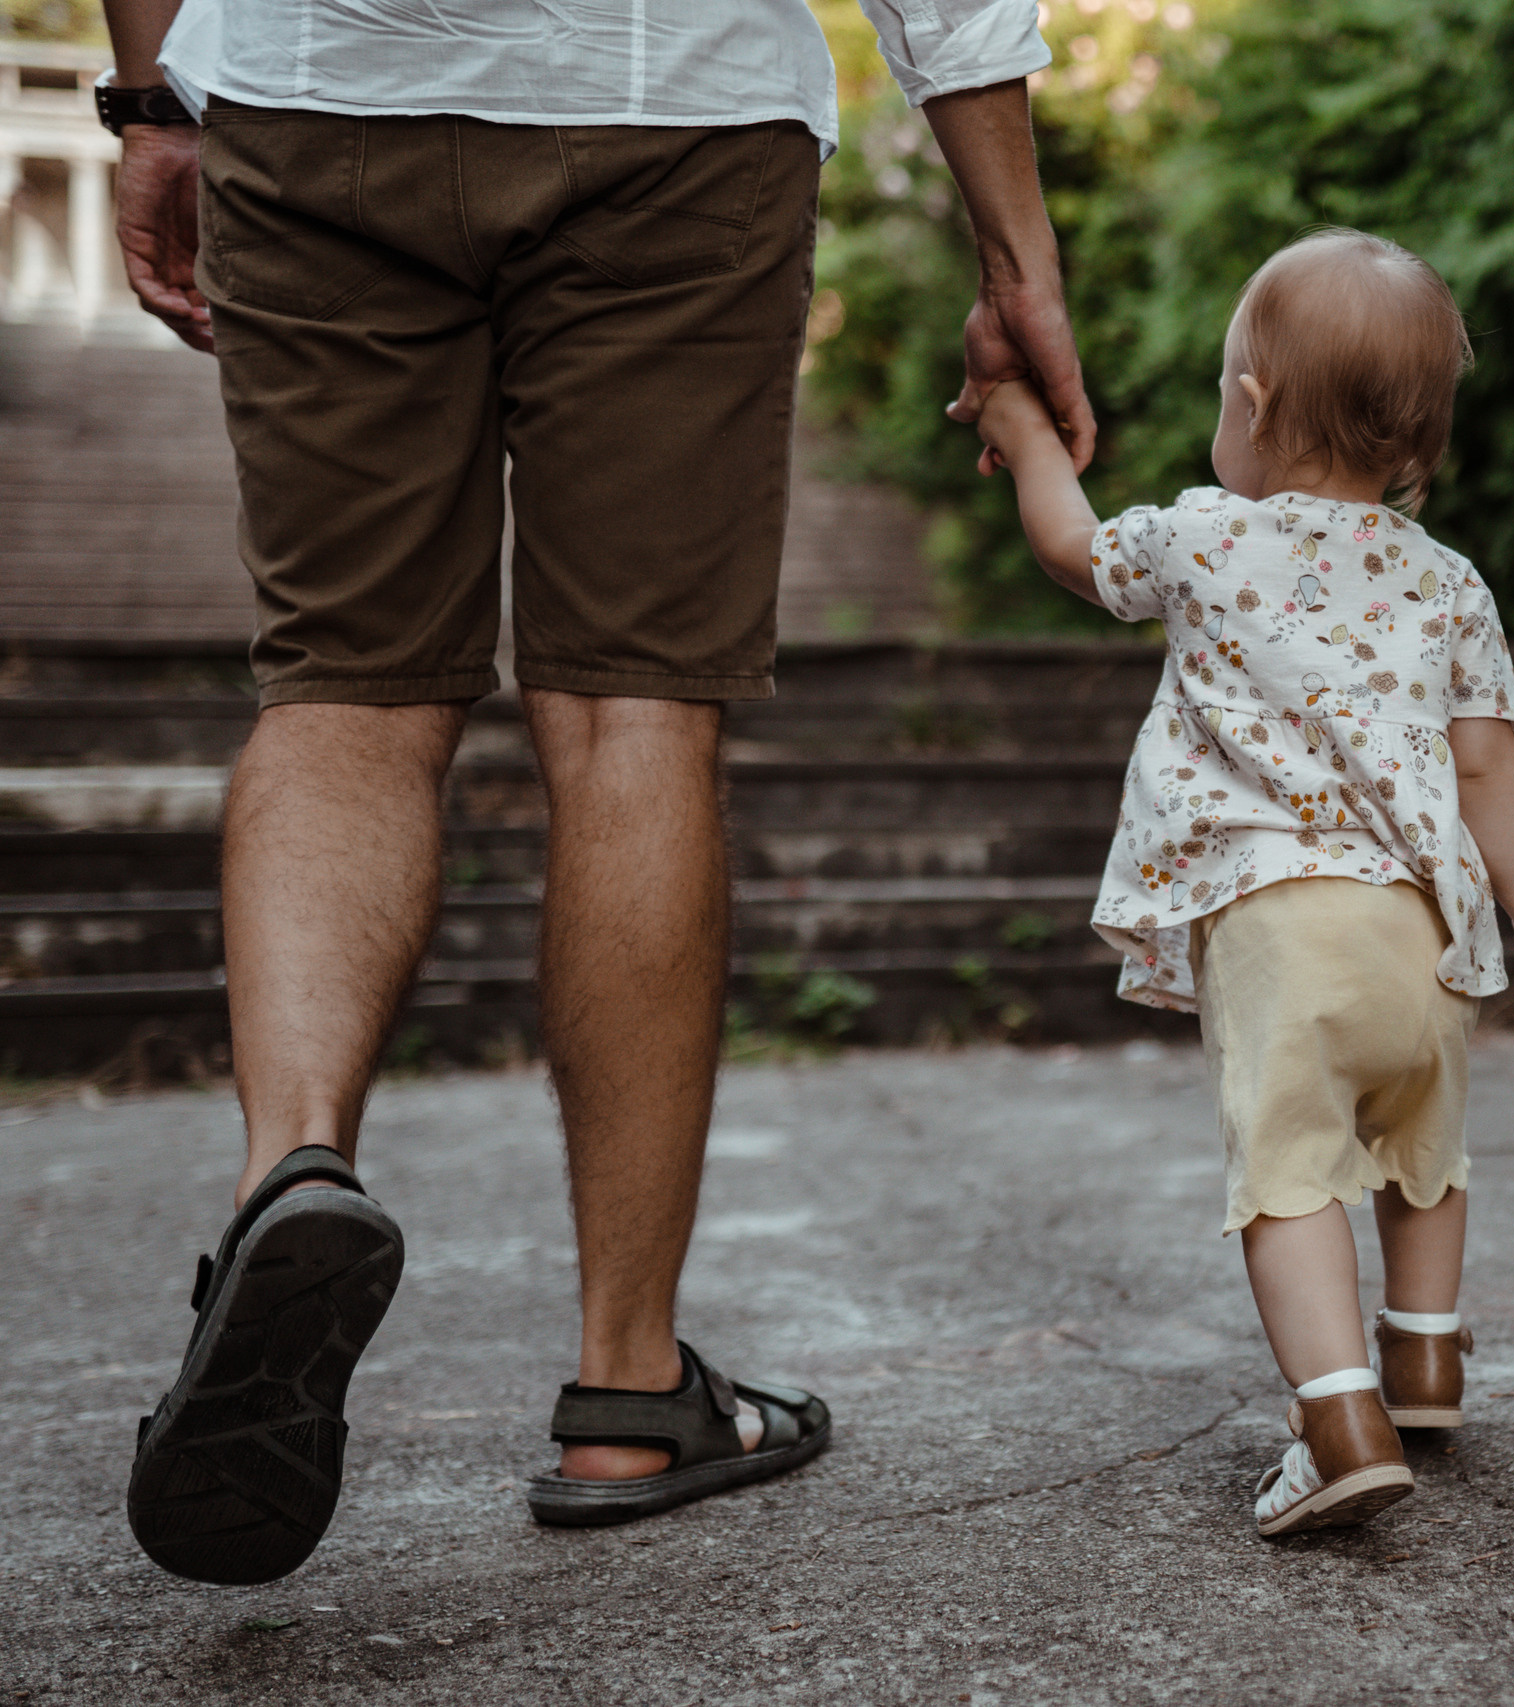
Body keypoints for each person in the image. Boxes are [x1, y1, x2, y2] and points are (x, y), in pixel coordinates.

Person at [99, 0, 1092, 1582]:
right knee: (634, 710)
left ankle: (293, 1172)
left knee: (347, 687)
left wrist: (151, 95)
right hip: (672, 111)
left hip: (319, 88)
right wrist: (1015, 254)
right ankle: (629, 1389)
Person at [972, 229, 1514, 1536]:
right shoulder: (1449, 583)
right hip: (1424, 939)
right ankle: (1424, 1354)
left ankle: (1338, 1416)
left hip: (1283, 936)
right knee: (1424, 1141)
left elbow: (1076, 551)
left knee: (1291, 1176)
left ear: (1249, 405)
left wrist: (1027, 436)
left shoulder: (1203, 540)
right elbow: (1488, 772)